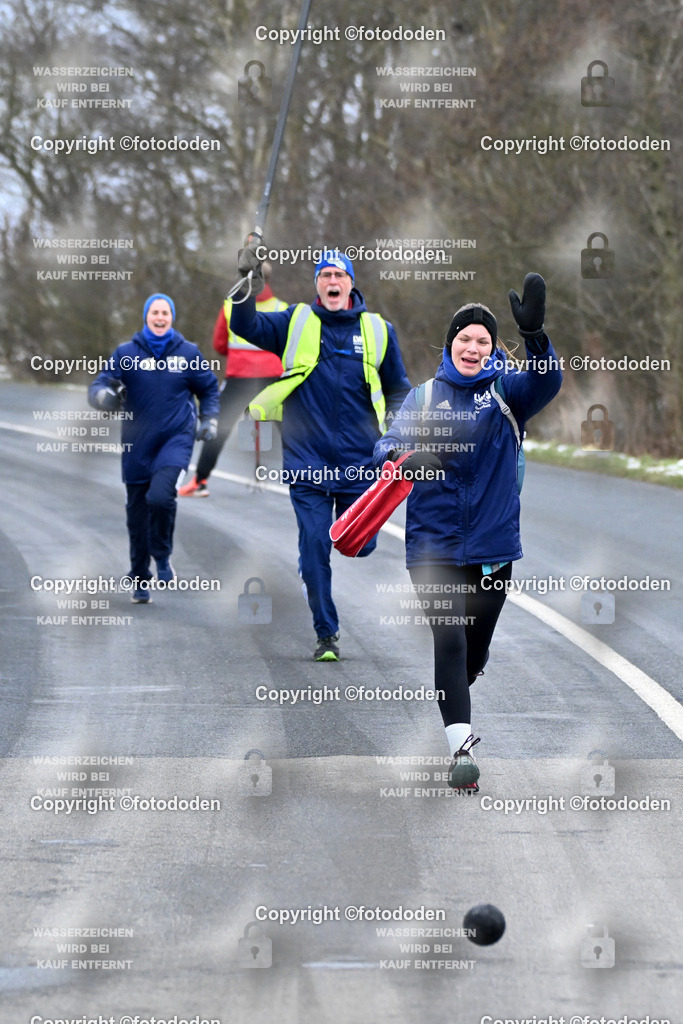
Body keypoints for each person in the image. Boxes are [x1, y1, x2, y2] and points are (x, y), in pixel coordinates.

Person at [373, 273, 562, 791]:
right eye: (464, 339)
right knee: (450, 645)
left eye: (482, 340)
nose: (473, 347)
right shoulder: (424, 397)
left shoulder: (509, 393)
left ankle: (460, 685)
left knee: (473, 652)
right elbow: (387, 443)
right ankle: (461, 753)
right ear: (449, 345)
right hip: (431, 544)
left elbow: (546, 382)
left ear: (491, 347)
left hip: (492, 546)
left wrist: (537, 338)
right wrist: (404, 454)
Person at [231, 244, 411, 660]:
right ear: (317, 285)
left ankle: (323, 563)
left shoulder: (378, 330)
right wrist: (246, 283)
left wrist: (400, 433)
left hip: (360, 463)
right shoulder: (295, 321)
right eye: (325, 276)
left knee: (359, 545)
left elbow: (399, 388)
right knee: (314, 545)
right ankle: (325, 633)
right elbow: (245, 325)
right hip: (306, 460)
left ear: (351, 283)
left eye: (340, 275)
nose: (333, 282)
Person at [88, 294, 220, 603]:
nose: (160, 317)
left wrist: (209, 419)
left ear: (171, 318)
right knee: (136, 514)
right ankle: (139, 575)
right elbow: (100, 384)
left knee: (160, 497)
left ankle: (161, 555)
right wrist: (103, 397)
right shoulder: (126, 353)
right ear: (146, 316)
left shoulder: (188, 353)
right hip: (137, 442)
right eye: (154, 312)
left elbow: (209, 388)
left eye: (165, 313)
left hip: (176, 439)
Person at [179, 262, 288, 497]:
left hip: (240, 378)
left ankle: (200, 481)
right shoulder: (283, 308)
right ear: (268, 280)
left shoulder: (231, 306)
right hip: (274, 379)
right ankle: (319, 480)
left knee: (218, 429)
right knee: (293, 431)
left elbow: (219, 344)